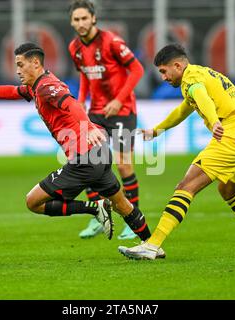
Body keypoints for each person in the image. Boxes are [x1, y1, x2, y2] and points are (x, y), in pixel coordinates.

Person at [0, 43, 163, 256]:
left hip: (86, 159)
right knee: (121, 204)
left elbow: (71, 104)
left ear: (35, 63)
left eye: (20, 64)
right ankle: (152, 244)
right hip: (99, 153)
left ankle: (93, 208)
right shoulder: (37, 86)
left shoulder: (46, 87)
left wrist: (88, 126)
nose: (17, 70)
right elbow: (10, 91)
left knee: (33, 202)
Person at [118, 44, 235, 260]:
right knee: (227, 192)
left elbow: (199, 94)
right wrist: (157, 130)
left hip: (231, 134)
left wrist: (213, 123)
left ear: (177, 65)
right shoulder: (203, 72)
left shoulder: (190, 79)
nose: (164, 78)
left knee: (186, 186)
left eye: (164, 71)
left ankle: (152, 245)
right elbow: (183, 109)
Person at [68, 0, 144, 240]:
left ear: (93, 19)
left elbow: (138, 70)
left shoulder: (112, 41)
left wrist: (119, 100)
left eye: (84, 18)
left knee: (123, 165)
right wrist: (81, 100)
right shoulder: (75, 48)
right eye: (76, 19)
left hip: (122, 110)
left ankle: (133, 221)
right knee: (91, 164)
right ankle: (98, 217)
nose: (80, 23)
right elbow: (84, 76)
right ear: (72, 22)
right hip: (96, 112)